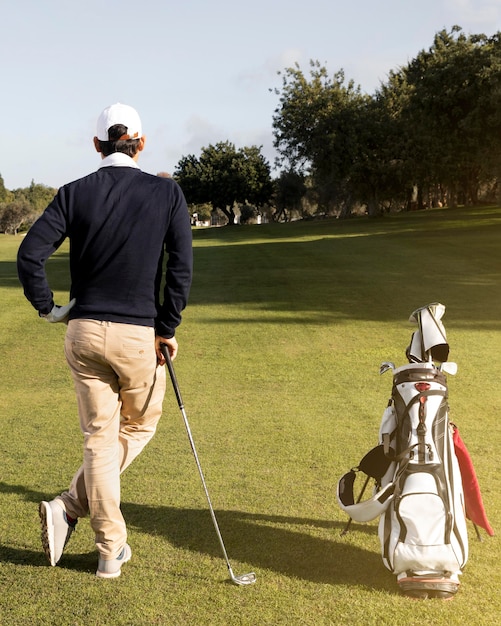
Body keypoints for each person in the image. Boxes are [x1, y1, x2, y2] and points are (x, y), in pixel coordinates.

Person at [17, 103, 193, 578]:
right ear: (141, 142)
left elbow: (29, 255)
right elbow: (180, 268)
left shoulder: (73, 193)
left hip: (84, 332)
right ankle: (76, 510)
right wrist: (167, 327)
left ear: (97, 145)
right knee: (135, 428)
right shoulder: (167, 193)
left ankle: (104, 541)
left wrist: (48, 308)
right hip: (139, 335)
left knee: (99, 438)